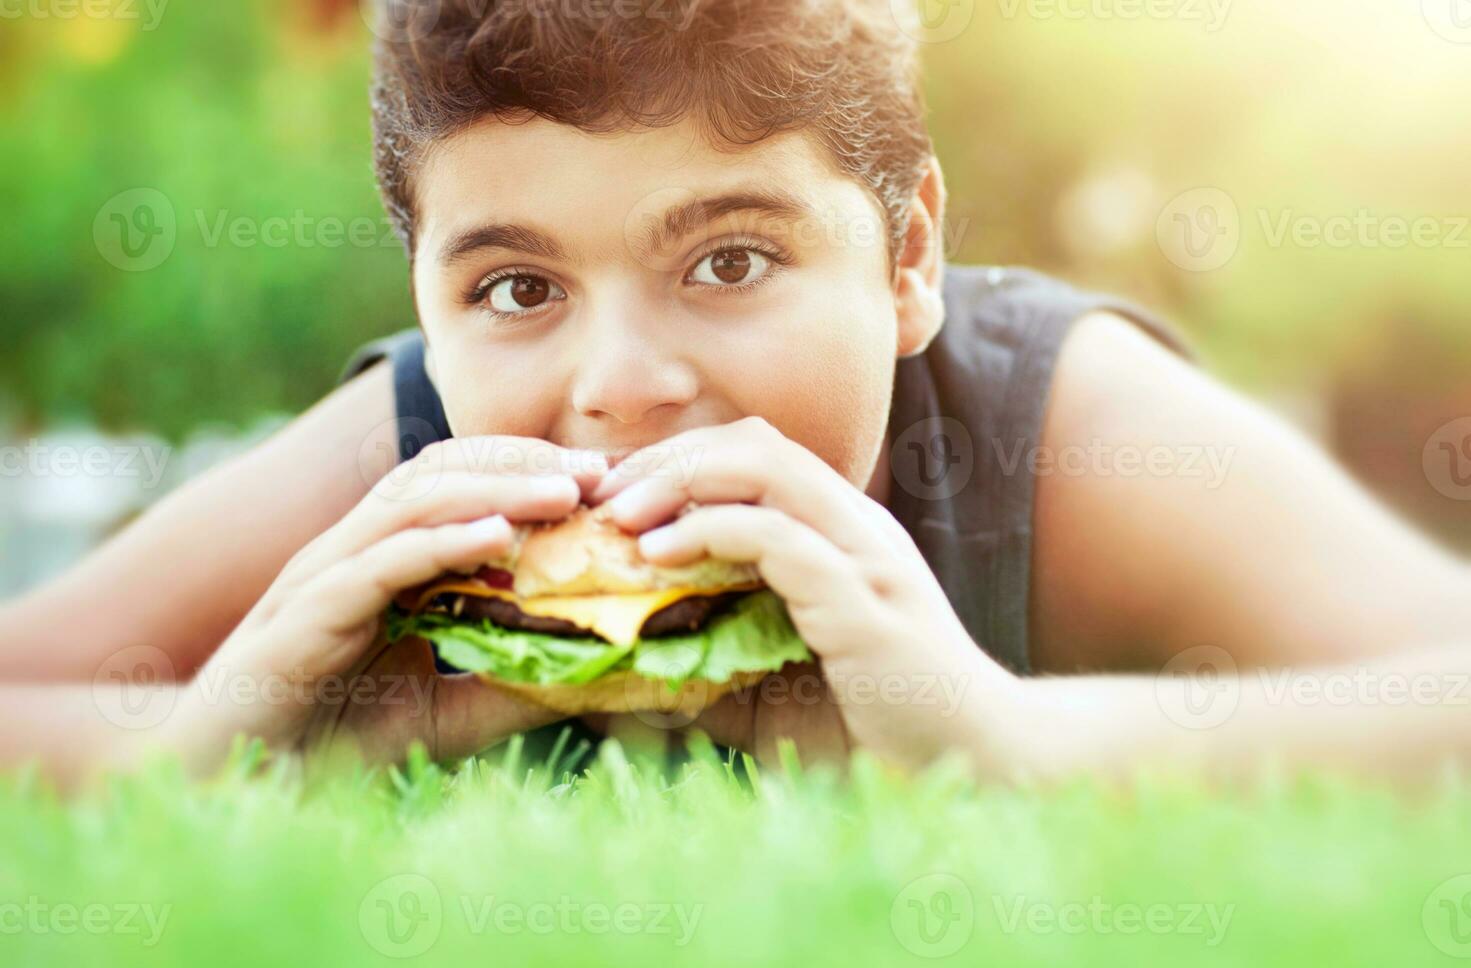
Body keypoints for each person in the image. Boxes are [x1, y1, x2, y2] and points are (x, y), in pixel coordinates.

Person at [2, 0, 1468, 787]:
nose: (624, 388)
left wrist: (1006, 738)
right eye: (518, 290)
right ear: (428, 313)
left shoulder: (1041, 429)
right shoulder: (413, 464)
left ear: (906, 256)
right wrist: (234, 734)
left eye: (730, 260)